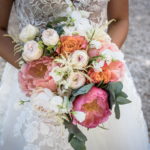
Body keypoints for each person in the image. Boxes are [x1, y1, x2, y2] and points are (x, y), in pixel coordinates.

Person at [0, 0, 149, 150]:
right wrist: (36, 70)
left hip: (97, 77)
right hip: (35, 80)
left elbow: (119, 19)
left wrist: (97, 63)